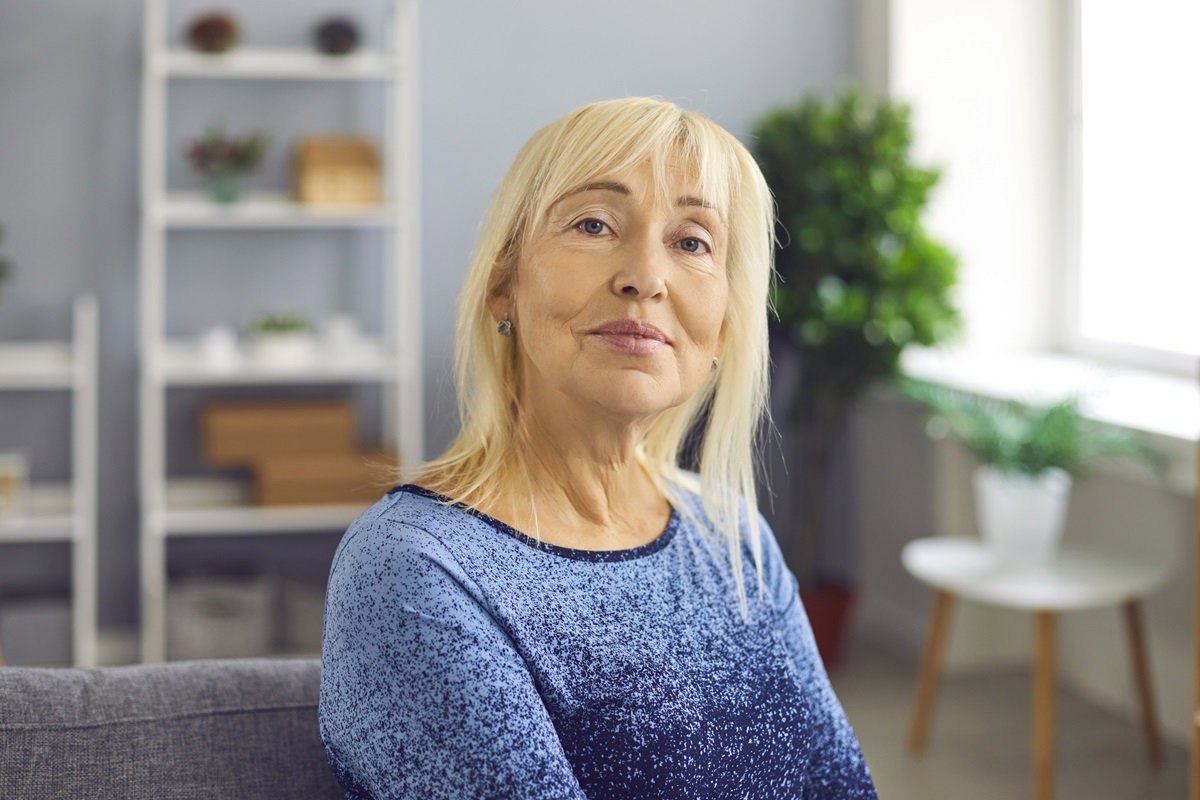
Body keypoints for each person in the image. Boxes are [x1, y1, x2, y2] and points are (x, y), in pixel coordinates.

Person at [318, 97, 878, 800]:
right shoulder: (415, 570)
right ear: (504, 285)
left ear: (725, 327)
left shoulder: (730, 537)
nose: (645, 276)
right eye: (593, 224)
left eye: (692, 242)